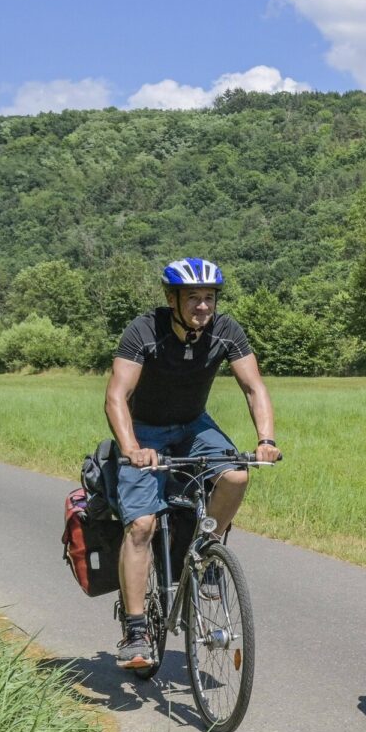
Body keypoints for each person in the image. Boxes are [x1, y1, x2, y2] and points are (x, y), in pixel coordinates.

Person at [104, 257, 280, 672]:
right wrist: (131, 447)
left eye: (209, 297)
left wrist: (266, 440)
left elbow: (254, 387)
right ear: (172, 299)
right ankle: (134, 632)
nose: (203, 306)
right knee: (142, 525)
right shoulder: (144, 331)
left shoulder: (225, 331)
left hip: (193, 426)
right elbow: (116, 397)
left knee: (236, 475)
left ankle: (203, 552)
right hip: (144, 430)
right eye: (193, 298)